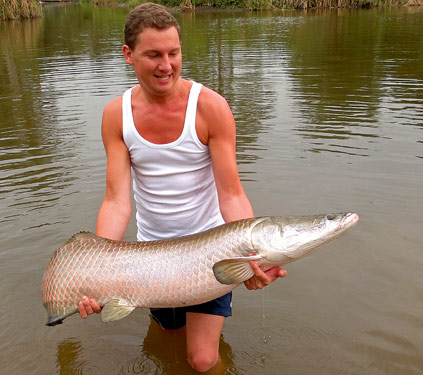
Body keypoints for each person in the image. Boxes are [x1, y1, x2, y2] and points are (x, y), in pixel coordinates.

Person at [78, 3, 286, 372]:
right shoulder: (116, 115)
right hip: (151, 260)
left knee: (202, 360)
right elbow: (116, 201)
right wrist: (99, 268)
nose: (166, 65)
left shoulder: (210, 108)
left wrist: (253, 257)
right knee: (167, 343)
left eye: (174, 53)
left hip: (210, 254)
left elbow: (232, 194)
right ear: (128, 55)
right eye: (153, 55)